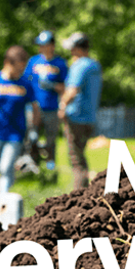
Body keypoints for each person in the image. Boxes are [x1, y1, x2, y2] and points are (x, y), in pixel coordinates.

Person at [0, 45, 40, 194]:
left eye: (23, 68)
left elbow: (35, 106)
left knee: (6, 167)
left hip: (16, 134)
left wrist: (34, 129)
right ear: (8, 63)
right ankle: (9, 183)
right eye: (18, 68)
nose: (21, 72)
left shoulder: (25, 84)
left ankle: (4, 197)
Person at [58, 31, 103, 191]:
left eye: (72, 48)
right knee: (81, 156)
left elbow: (72, 91)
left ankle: (78, 193)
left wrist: (62, 106)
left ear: (77, 48)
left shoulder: (79, 65)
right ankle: (84, 190)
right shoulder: (94, 65)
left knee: (76, 161)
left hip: (76, 117)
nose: (70, 52)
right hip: (90, 118)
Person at [25, 30, 68, 173]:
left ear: (52, 45)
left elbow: (65, 88)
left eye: (44, 44)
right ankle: (32, 164)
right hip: (34, 107)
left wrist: (52, 86)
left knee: (51, 139)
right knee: (32, 137)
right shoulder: (33, 61)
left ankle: (50, 163)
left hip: (52, 107)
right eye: (40, 45)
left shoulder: (60, 63)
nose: (41, 47)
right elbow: (25, 81)